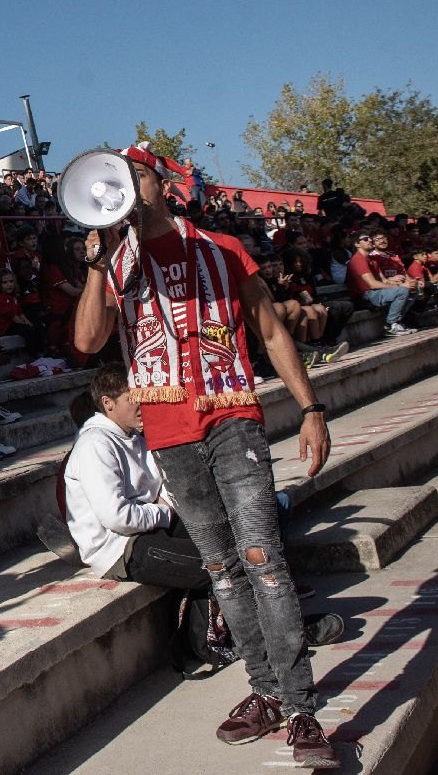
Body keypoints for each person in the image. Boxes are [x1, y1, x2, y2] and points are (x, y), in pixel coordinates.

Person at [73, 144, 337, 768]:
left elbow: (270, 330)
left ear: (162, 184)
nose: (123, 188)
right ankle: (264, 692)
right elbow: (87, 340)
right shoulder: (115, 262)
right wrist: (93, 264)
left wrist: (311, 408)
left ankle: (302, 709)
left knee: (262, 558)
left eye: (133, 175)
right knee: (221, 568)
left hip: (230, 414)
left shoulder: (222, 248)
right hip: (166, 428)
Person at [61, 366, 343, 658]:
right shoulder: (95, 444)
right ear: (109, 403)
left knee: (244, 535)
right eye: (136, 398)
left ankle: (276, 630)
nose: (145, 404)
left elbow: (166, 485)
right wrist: (164, 513)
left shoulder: (136, 435)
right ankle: (277, 640)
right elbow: (117, 517)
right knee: (222, 565)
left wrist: (167, 508)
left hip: (154, 527)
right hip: (122, 548)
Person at [345, 232, 415, 336]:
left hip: (375, 293)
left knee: (412, 292)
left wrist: (401, 281)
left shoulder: (372, 260)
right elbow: (373, 284)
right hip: (364, 296)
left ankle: (395, 323)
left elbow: (383, 280)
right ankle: (391, 324)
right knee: (402, 291)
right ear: (357, 244)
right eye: (365, 239)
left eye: (369, 238)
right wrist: (400, 286)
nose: (370, 240)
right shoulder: (358, 259)